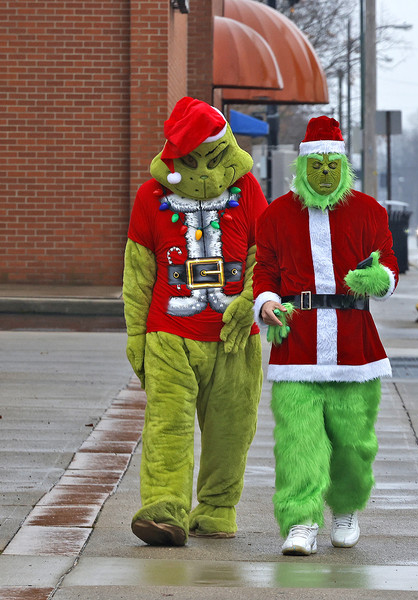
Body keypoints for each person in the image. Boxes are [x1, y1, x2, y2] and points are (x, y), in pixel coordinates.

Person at [123, 97, 267, 546]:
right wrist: (136, 335)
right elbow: (138, 272)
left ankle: (217, 507)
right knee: (168, 425)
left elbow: (266, 254)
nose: (204, 173)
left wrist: (249, 300)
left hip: (235, 339)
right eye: (191, 162)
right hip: (169, 336)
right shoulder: (151, 196)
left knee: (232, 428)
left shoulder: (249, 191)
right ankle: (164, 509)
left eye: (214, 160)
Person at [253, 116, 398, 555]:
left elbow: (389, 265)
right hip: (297, 345)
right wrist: (266, 303)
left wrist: (379, 279)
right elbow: (265, 273)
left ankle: (347, 507)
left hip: (355, 347)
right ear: (302, 167)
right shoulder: (276, 215)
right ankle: (300, 520)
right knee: (299, 440)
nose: (323, 174)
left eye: (330, 165)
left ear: (342, 166)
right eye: (315, 165)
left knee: (353, 441)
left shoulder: (370, 212)